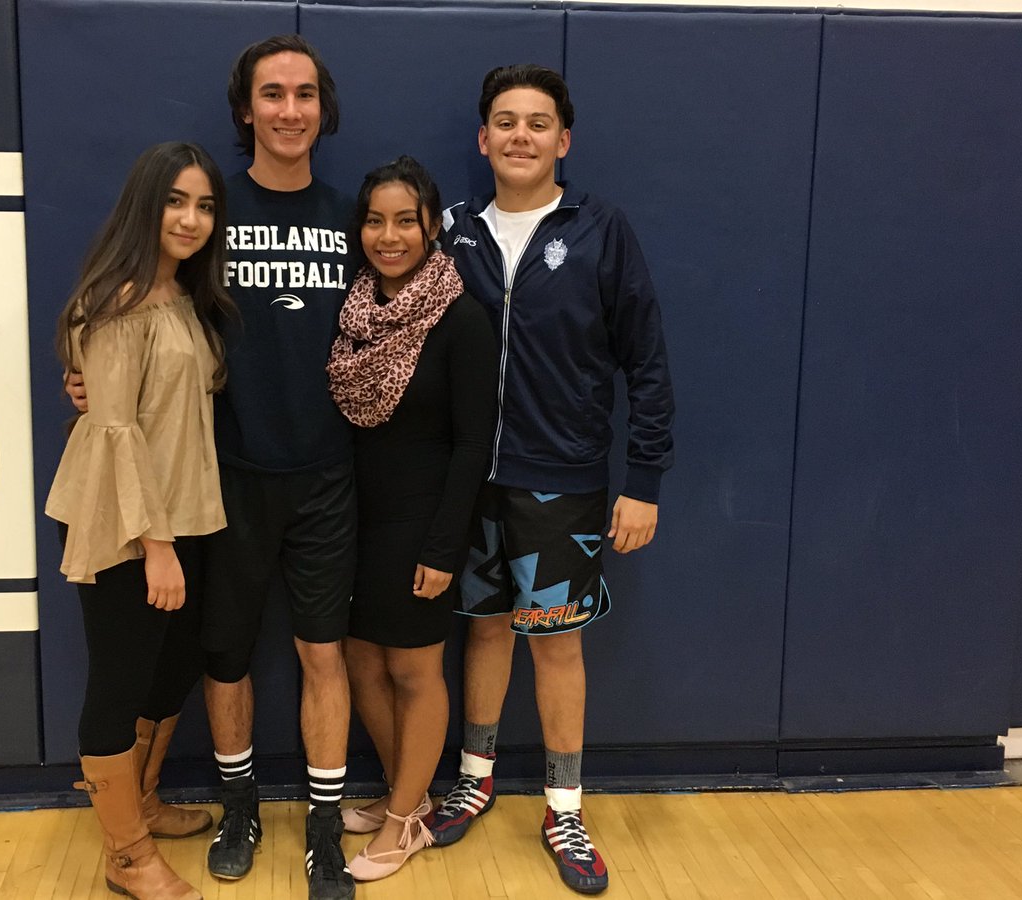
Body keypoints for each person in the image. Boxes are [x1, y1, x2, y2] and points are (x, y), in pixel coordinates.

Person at [69, 35, 359, 900]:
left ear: (322, 109)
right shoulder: (198, 245)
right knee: (185, 661)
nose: (290, 110)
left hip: (293, 483)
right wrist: (92, 378)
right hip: (206, 490)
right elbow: (120, 358)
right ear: (247, 110)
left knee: (230, 658)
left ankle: (287, 822)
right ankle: (179, 830)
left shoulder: (346, 219)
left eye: (306, 94)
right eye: (272, 94)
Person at [426, 65, 676, 895]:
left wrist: (642, 478)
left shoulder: (601, 230)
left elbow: (646, 362)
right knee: (486, 630)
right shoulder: (453, 231)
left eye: (538, 123)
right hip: (469, 482)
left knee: (555, 642)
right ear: (483, 139)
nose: (521, 135)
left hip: (560, 481)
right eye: (505, 121)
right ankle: (475, 774)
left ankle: (564, 804)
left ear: (562, 141)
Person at [46, 141, 234, 900]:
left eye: (205, 206)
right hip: (123, 522)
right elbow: (117, 430)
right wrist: (156, 548)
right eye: (176, 201)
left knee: (174, 663)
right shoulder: (117, 300)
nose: (191, 219)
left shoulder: (183, 296)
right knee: (119, 683)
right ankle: (125, 856)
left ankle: (144, 802)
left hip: (182, 514)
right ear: (146, 206)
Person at [325, 156, 496, 881]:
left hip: (424, 523)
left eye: (404, 220)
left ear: (432, 226)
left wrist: (444, 544)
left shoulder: (461, 316)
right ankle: (413, 796)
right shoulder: (352, 313)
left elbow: (471, 443)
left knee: (414, 669)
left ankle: (402, 826)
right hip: (354, 519)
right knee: (361, 661)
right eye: (374, 220)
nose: (388, 236)